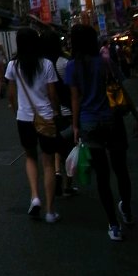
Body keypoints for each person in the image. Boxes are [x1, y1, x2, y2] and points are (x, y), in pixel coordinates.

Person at [66, 23, 138, 241]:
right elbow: (122, 88)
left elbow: (75, 98)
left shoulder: (72, 66)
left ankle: (113, 225)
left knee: (102, 175)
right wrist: (135, 115)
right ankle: (126, 209)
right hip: (112, 118)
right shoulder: (105, 61)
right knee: (121, 168)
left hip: (89, 122)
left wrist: (75, 126)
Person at [5, 27, 60, 224]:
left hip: (24, 118)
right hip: (45, 117)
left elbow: (11, 96)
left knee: (30, 157)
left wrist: (17, 112)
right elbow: (52, 94)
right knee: (48, 163)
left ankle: (35, 196)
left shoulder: (13, 65)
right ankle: (50, 211)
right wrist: (55, 112)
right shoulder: (46, 64)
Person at [39, 31, 76, 198]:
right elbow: (72, 89)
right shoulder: (64, 62)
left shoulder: (40, 64)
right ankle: (68, 185)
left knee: (54, 145)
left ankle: (56, 172)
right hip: (66, 110)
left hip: (47, 111)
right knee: (69, 148)